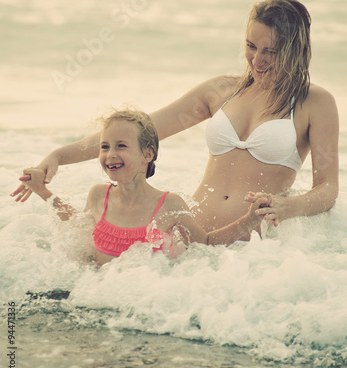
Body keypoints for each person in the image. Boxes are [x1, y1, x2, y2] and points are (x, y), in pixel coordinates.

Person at [12, 0, 339, 234]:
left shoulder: (315, 103)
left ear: (295, 49)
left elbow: (327, 189)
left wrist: (289, 206)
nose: (257, 60)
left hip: (252, 247)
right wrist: (58, 155)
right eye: (251, 46)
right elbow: (135, 133)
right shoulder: (221, 91)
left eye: (271, 51)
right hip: (189, 231)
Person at [19, 108, 268, 265]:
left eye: (121, 146)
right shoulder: (98, 196)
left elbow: (206, 243)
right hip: (98, 295)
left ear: (147, 154)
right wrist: (42, 191)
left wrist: (248, 220)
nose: (110, 154)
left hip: (141, 303)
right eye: (105, 147)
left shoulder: (169, 205)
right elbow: (77, 226)